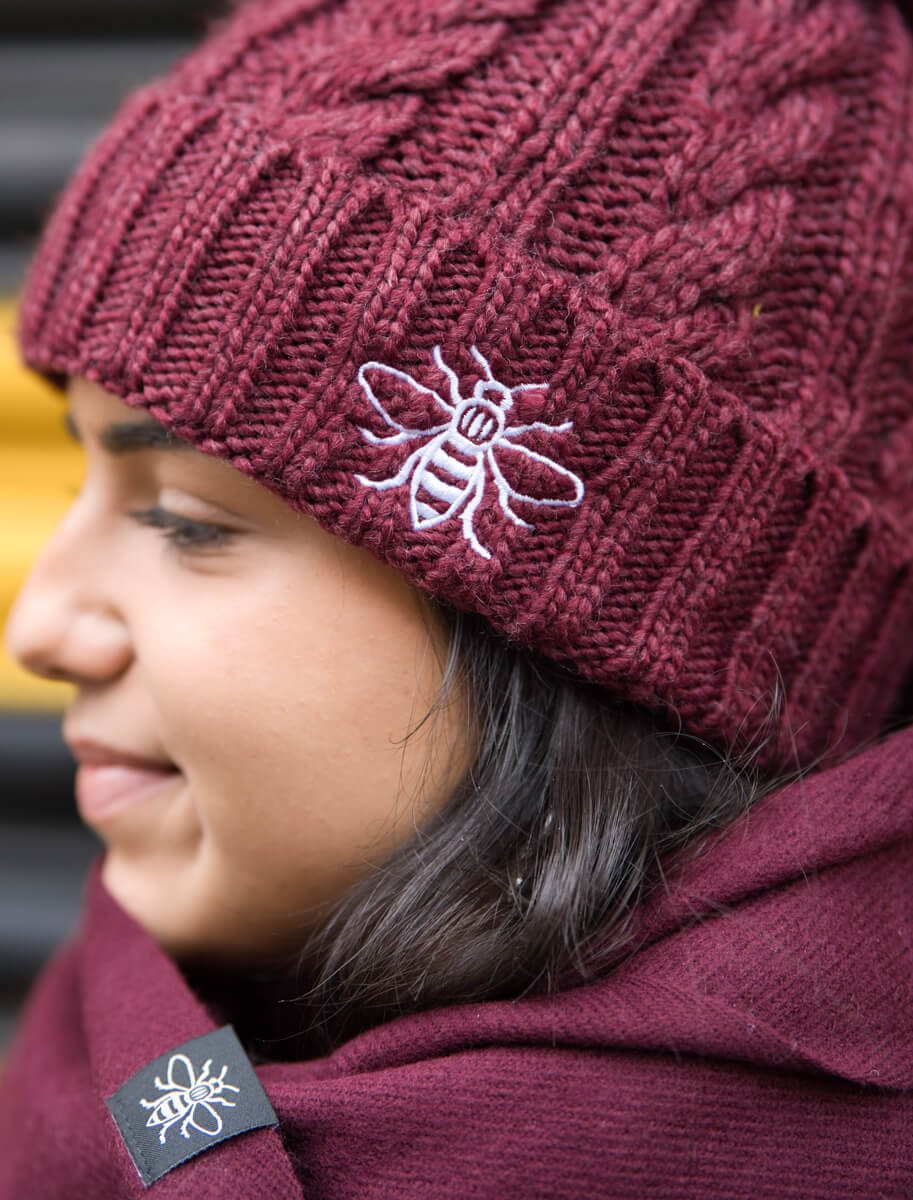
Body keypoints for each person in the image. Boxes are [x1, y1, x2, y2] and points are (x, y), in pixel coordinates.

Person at [1, 0, 912, 1194]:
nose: (40, 629)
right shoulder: (105, 1055)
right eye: (79, 474)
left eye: (186, 519)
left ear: (573, 641)